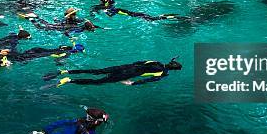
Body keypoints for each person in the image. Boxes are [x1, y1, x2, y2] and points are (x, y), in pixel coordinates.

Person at [47, 58, 182, 87]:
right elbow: (149, 79)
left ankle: (66, 71)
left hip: (125, 65)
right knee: (97, 82)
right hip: (126, 75)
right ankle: (69, 80)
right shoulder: (164, 73)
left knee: (96, 71)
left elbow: (139, 62)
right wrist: (132, 83)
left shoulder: (156, 61)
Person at [92, 0, 185, 21]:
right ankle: (166, 16)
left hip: (130, 14)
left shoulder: (110, 6)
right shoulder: (110, 3)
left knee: (151, 19)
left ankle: (167, 17)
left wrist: (105, 12)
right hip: (129, 12)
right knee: (149, 18)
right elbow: (107, 3)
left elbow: (111, 15)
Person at [19, 8, 100, 36]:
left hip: (62, 26)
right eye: (74, 14)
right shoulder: (68, 20)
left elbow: (84, 20)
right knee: (42, 27)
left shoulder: (77, 20)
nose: (75, 15)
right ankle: (32, 19)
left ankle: (36, 17)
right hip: (61, 26)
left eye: (75, 14)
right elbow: (66, 31)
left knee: (46, 24)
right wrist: (70, 37)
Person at [0, 43, 86, 63]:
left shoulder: (66, 47)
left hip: (38, 49)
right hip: (40, 54)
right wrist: (60, 64)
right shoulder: (68, 53)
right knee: (22, 58)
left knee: (22, 55)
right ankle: (6, 54)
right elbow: (57, 60)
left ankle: (8, 52)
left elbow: (60, 46)